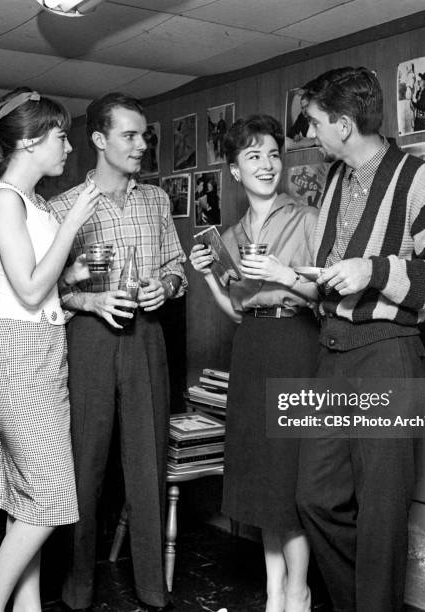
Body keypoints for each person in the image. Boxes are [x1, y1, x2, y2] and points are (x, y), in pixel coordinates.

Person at [296, 67, 425, 612]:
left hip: (387, 354)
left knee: (381, 510)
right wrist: (295, 279)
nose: (311, 133)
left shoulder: (417, 177)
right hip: (334, 349)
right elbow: (336, 272)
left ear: (344, 125)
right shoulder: (336, 181)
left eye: (316, 123)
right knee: (316, 497)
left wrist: (374, 271)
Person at [48, 92, 187, 612]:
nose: (142, 144)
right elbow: (44, 289)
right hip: (88, 339)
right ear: (99, 140)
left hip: (147, 336)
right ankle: (78, 583)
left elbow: (177, 266)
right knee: (86, 462)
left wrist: (167, 287)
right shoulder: (63, 207)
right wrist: (90, 298)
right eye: (130, 135)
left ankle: (152, 584)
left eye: (144, 135)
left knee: (148, 461)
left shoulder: (155, 201)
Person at [190, 115, 321, 612]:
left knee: (289, 477)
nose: (266, 165)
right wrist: (206, 277)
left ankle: (298, 590)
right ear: (234, 171)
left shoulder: (308, 218)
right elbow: (236, 308)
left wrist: (284, 274)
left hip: (296, 345)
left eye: (272, 154)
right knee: (261, 479)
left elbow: (323, 296)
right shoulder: (231, 233)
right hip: (252, 347)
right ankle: (273, 592)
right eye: (253, 156)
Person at [0, 87, 101, 612]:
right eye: (59, 136)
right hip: (18, 352)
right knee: (49, 500)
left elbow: (43, 286)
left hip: (47, 348)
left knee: (26, 494)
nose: (68, 147)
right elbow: (27, 290)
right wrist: (74, 225)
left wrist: (72, 275)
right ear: (28, 141)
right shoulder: (4, 198)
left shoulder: (34, 202)